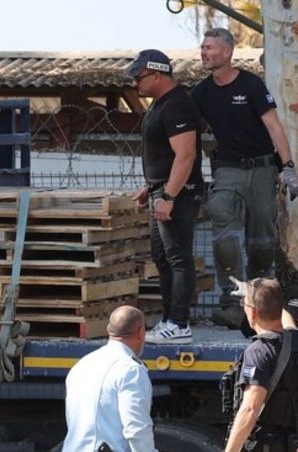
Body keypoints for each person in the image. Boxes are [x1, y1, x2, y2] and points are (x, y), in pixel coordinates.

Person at [190, 28, 298, 329]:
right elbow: (186, 129)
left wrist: (287, 168)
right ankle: (231, 302)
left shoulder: (250, 84)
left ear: (227, 52)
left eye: (210, 47)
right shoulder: (201, 92)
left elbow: (275, 127)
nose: (204, 52)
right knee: (223, 223)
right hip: (227, 169)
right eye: (202, 47)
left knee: (262, 239)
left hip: (262, 170)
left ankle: (261, 301)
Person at [128, 49, 204, 344]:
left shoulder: (176, 106)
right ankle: (169, 319)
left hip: (179, 193)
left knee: (177, 257)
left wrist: (170, 195)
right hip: (163, 189)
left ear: (157, 74)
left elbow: (186, 155)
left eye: (139, 77)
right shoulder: (161, 105)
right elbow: (167, 155)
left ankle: (179, 323)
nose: (136, 83)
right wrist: (153, 187)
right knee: (162, 257)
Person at [62, 305, 156, 452]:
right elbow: (136, 429)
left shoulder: (82, 364)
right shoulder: (131, 370)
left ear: (108, 329)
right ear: (140, 332)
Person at [223, 277, 298, 452]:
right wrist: (259, 293)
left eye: (245, 304)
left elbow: (250, 409)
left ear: (253, 312)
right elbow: (288, 325)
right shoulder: (293, 342)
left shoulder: (258, 352)